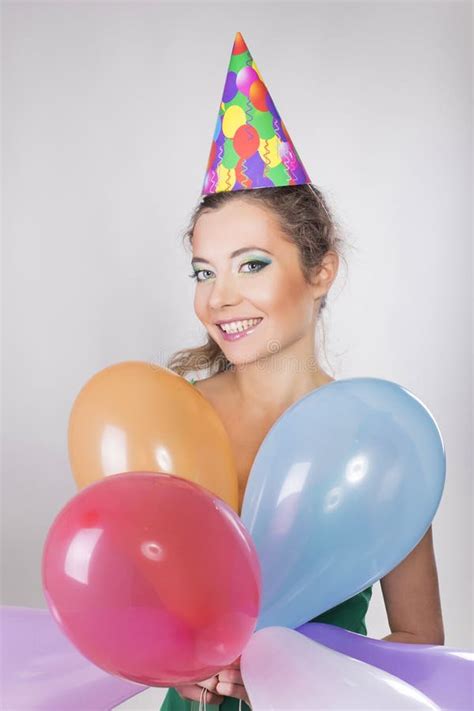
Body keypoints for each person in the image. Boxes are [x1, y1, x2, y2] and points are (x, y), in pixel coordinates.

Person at [160, 32, 444, 711]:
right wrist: (174, 662)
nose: (219, 296)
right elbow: (141, 603)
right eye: (205, 271)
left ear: (320, 270)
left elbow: (421, 638)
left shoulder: (378, 441)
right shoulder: (171, 420)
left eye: (251, 264)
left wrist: (294, 665)